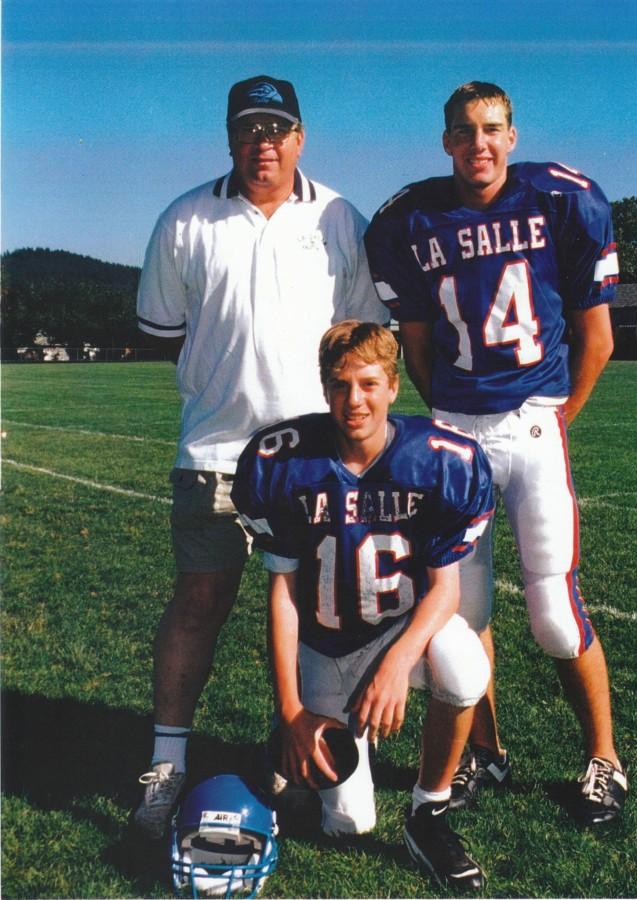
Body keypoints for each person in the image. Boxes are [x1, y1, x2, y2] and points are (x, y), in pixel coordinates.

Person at [364, 81, 626, 827]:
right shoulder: (409, 220)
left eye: (490, 130)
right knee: (463, 612)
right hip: (455, 431)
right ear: (444, 141)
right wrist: (453, 417)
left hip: (531, 424)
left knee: (551, 611)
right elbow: (416, 348)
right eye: (461, 132)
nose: (476, 144)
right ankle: (486, 749)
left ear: (510, 136)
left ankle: (603, 757)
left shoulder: (559, 200)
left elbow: (596, 338)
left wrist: (551, 416)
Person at [133, 75, 387, 839]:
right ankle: (166, 764)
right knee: (200, 601)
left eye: (277, 129)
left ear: (300, 138)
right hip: (214, 449)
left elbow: (364, 333)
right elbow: (162, 331)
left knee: (322, 615)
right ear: (230, 139)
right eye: (249, 130)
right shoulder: (186, 218)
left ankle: (302, 751)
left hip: (316, 457)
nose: (263, 143)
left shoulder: (341, 216)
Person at [232, 320, 494, 892]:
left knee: (466, 663)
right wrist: (292, 712)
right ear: (325, 390)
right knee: (350, 824)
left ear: (394, 386)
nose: (355, 400)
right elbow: (282, 598)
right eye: (341, 385)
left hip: (398, 629)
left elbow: (445, 590)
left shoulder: (439, 458)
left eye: (369, 384)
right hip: (324, 645)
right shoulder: (284, 462)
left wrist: (398, 664)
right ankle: (286, 747)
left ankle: (429, 812)